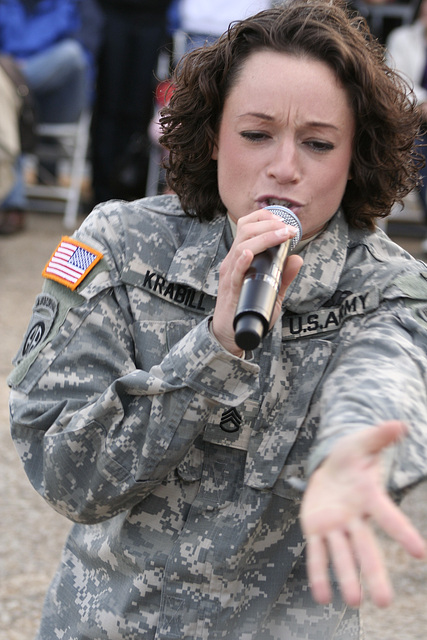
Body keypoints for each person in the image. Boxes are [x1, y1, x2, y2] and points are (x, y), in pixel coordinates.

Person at [8, 1, 427, 638]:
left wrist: (351, 458)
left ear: (356, 154)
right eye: (256, 135)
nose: (285, 167)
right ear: (212, 134)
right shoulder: (119, 245)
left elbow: (388, 372)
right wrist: (208, 351)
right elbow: (67, 473)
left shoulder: (388, 285)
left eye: (318, 143)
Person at [0, 0, 103, 234]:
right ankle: (12, 203)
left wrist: (16, 72)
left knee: (71, 54)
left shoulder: (78, 4)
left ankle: (10, 201)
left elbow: (86, 48)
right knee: (4, 99)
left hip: (59, 99)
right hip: (12, 102)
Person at [90, 0, 172, 204]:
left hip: (155, 17)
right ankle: (102, 191)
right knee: (108, 106)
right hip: (113, 13)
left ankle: (130, 187)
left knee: (139, 109)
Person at [386, 0, 427, 253]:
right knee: (420, 152)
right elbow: (395, 82)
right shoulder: (402, 38)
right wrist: (422, 103)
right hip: (412, 122)